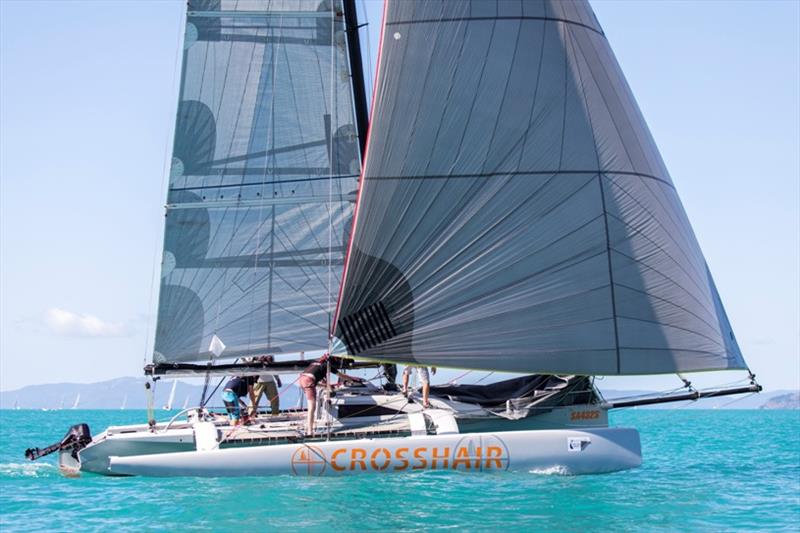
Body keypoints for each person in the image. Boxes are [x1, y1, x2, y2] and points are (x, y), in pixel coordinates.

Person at [298, 354, 361, 436]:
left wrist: (327, 386)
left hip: (302, 379)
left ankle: (310, 427)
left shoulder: (316, 362)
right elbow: (342, 376)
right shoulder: (327, 365)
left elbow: (318, 381)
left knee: (311, 406)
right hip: (309, 381)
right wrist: (352, 379)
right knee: (311, 407)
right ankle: (310, 432)